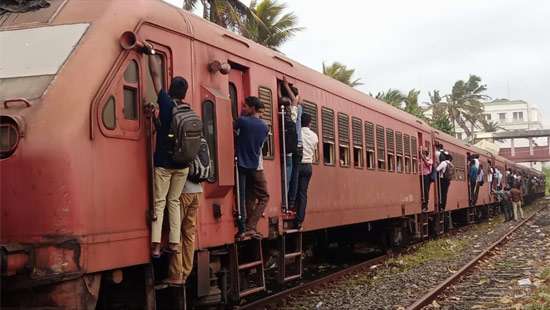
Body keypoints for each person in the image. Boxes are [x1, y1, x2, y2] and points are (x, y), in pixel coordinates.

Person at [145, 47, 189, 257]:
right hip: (183, 166)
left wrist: (150, 53)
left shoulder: (165, 101)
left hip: (163, 163)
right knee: (174, 201)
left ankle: (155, 245)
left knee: (160, 202)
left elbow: (154, 74)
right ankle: (173, 243)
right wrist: (155, 119)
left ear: (171, 89)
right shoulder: (187, 110)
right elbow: (165, 127)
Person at [235, 96, 270, 238]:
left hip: (241, 164)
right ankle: (251, 226)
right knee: (263, 197)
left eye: (245, 106)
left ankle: (244, 227)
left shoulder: (242, 121)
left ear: (252, 108)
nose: (243, 109)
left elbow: (233, 127)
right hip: (255, 165)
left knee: (244, 197)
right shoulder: (264, 126)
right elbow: (262, 145)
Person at [166, 179, 201, 285]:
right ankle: (185, 272)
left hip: (183, 191)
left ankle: (176, 274)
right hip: (197, 191)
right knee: (189, 234)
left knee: (176, 231)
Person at [293, 113, 318, 229]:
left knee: (294, 189)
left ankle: (291, 208)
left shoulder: (297, 133)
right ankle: (300, 219)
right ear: (309, 123)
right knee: (303, 193)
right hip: (308, 166)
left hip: (298, 164)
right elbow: (315, 152)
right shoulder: (314, 136)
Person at [420, 147, 433, 212]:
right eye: (422, 151)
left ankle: (425, 206)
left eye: (424, 151)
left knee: (426, 191)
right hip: (421, 175)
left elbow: (428, 164)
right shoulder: (420, 158)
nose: (423, 152)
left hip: (426, 176)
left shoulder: (430, 159)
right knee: (421, 191)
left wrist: (423, 158)